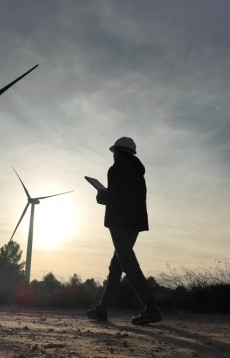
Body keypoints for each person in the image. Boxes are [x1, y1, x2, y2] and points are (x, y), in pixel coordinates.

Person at [87, 137, 162, 325]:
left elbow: (116, 198)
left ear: (118, 151)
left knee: (127, 262)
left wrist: (102, 195)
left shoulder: (116, 169)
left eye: (114, 152)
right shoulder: (138, 173)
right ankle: (102, 309)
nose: (113, 156)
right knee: (117, 264)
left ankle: (151, 307)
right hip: (135, 223)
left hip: (119, 221)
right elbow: (130, 197)